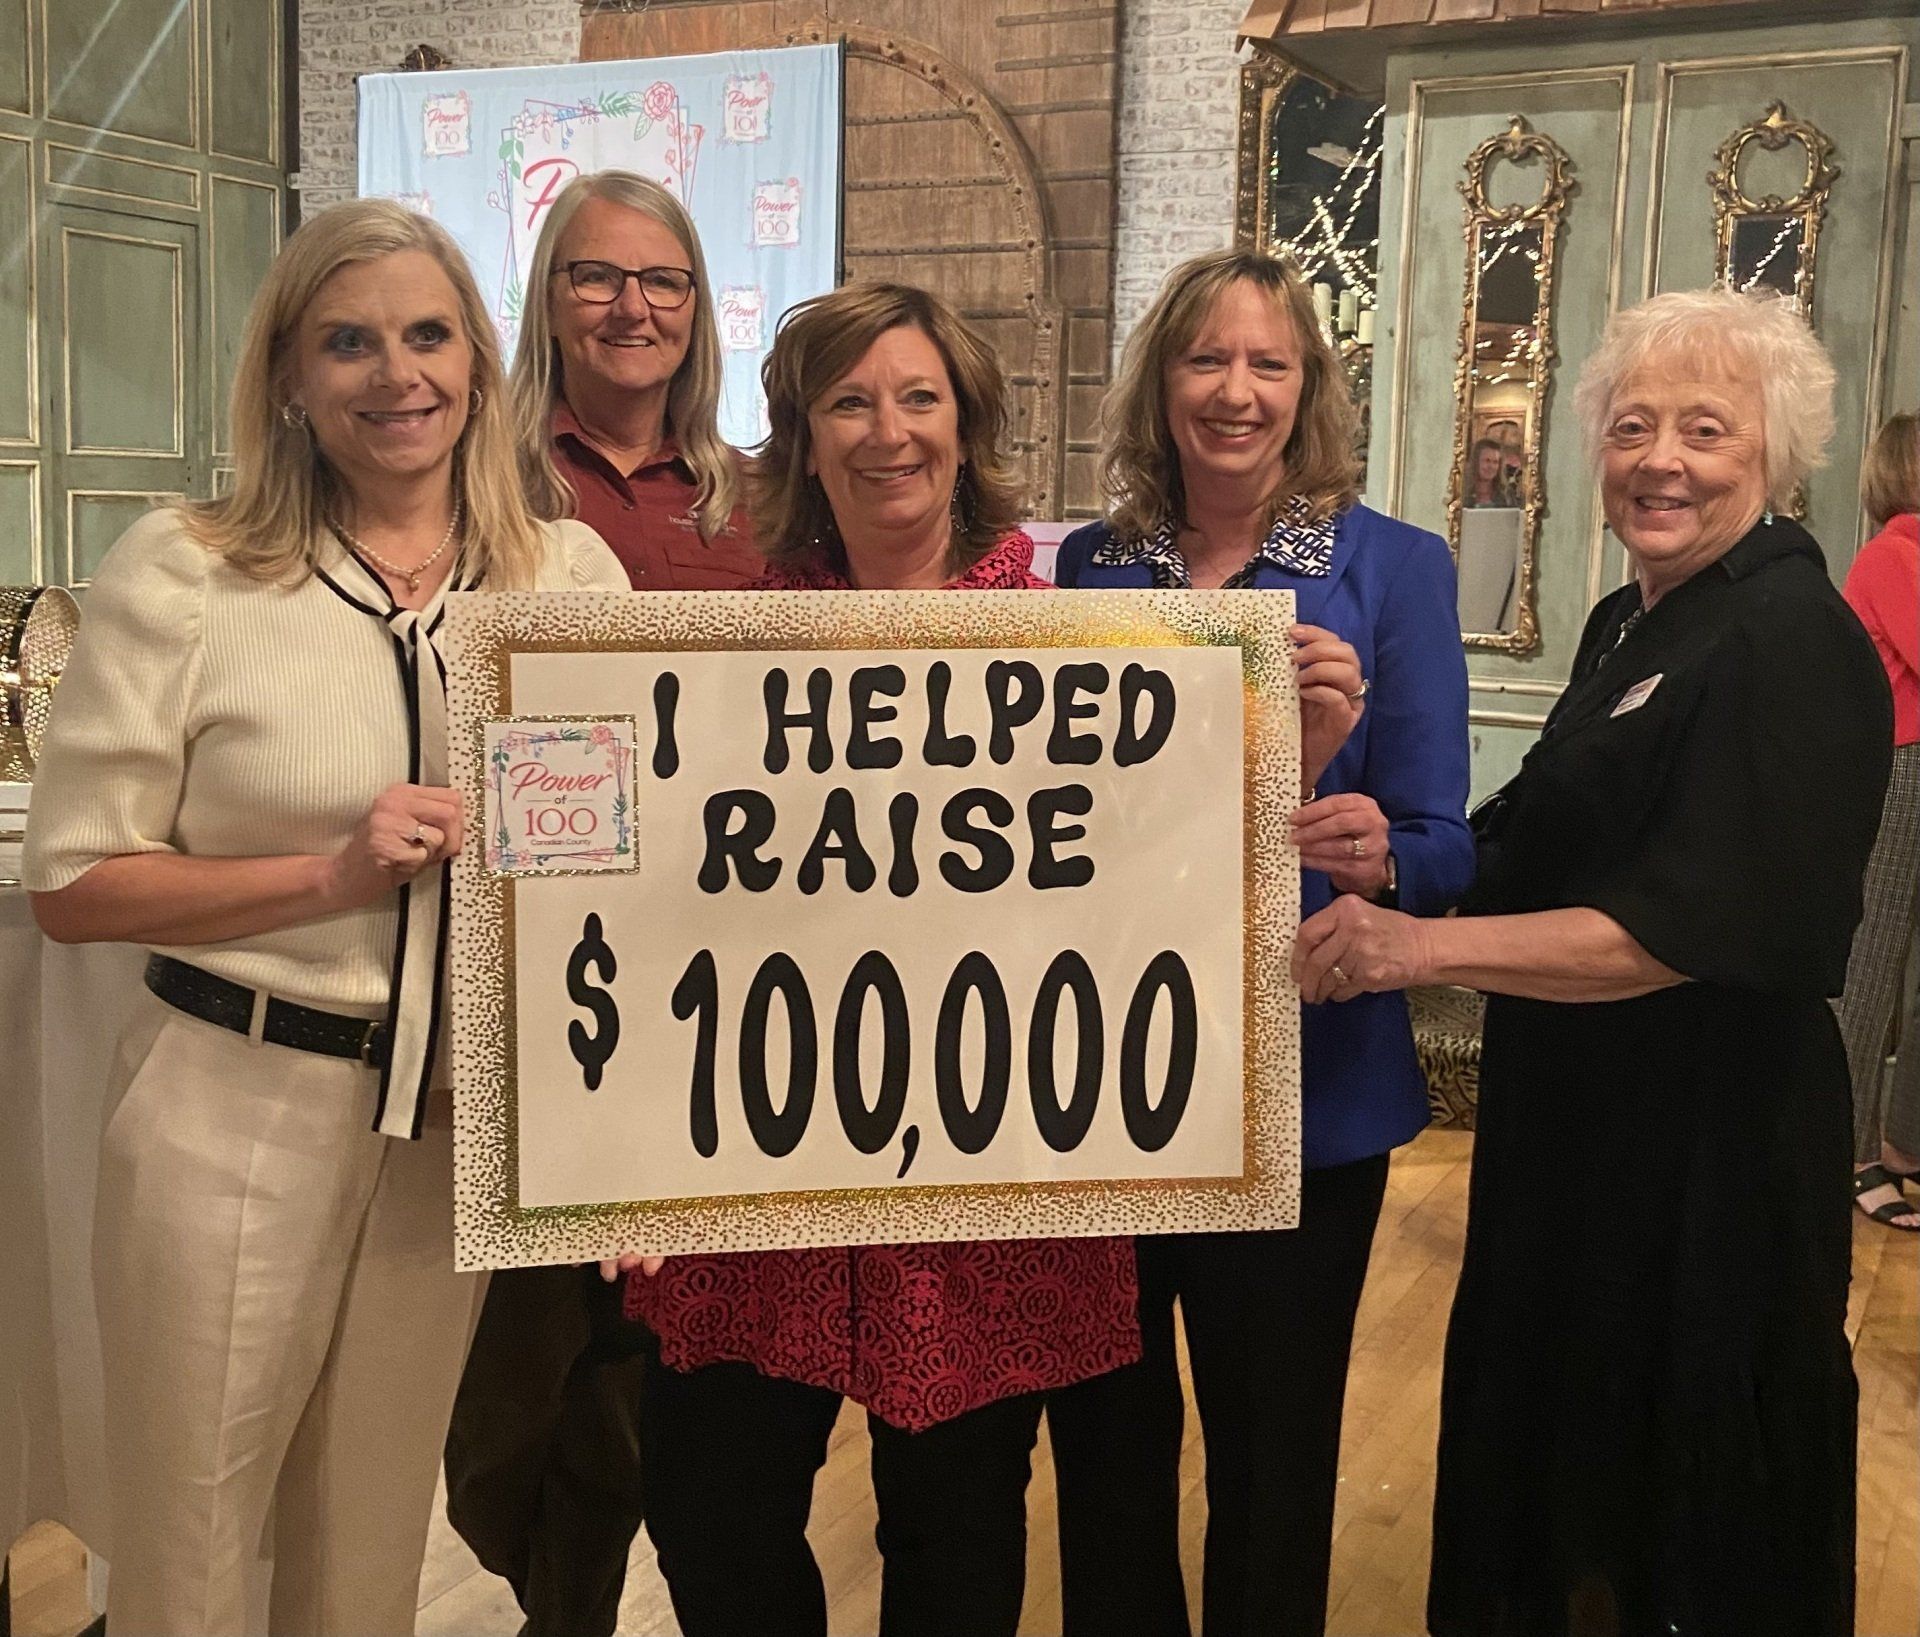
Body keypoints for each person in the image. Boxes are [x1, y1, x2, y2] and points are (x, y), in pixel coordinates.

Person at [617, 279, 1371, 1637]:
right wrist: (609, 1159)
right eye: (848, 400)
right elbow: (662, 902)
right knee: (713, 1507)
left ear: (967, 429)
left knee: (957, 1542)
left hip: (985, 1182)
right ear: (799, 432)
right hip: (760, 1164)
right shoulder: (719, 640)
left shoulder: (1076, 641)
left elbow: (1164, 891)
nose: (887, 432)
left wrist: (1292, 769)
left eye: (920, 399)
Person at [21, 199, 628, 1636]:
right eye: (345, 342)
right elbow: (71, 884)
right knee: (190, 1541)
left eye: (427, 336)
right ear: (287, 374)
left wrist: (616, 1135)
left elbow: (603, 875)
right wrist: (323, 877)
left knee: (371, 1552)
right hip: (229, 1106)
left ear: (479, 363)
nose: (393, 374)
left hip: (442, 1131)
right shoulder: (187, 570)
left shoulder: (564, 577)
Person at [1294, 287, 1890, 1636]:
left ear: (1775, 454)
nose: (1661, 459)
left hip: (1707, 1148)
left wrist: (1413, 943)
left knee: (1679, 1469)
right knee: (1568, 1444)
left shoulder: (1793, 639)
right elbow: (1539, 839)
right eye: (1633, 427)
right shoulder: (1637, 622)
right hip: (1583, 1126)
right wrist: (1384, 847)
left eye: (1705, 430)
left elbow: (1687, 928)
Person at [1044, 247, 1473, 1637]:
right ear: (1161, 381)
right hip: (1107, 1076)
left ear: (1309, 388)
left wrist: (1377, 850)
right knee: (1105, 1447)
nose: (1234, 392)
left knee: (1275, 1454)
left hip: (1310, 1084)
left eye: (1266, 363)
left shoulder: (1393, 568)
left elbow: (1442, 840)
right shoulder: (1088, 572)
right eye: (1205, 359)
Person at [443, 169, 759, 1637]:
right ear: (549, 298)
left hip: (714, 965)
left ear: (698, 313)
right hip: (535, 962)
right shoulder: (480, 486)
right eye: (597, 276)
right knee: (512, 1391)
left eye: (665, 281)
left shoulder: (754, 498)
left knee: (650, 1366)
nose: (633, 306)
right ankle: (536, 1575)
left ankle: (573, 1609)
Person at [1837, 411, 1920, 1228]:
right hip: (1901, 767)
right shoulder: (1891, 553)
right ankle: (1848, 1150)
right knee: (1872, 963)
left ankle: (1905, 1142)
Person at [1467, 436, 1517, 507]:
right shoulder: (1464, 493)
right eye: (1487, 461)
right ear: (1476, 462)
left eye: (1495, 462)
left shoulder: (1507, 496)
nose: (1491, 466)